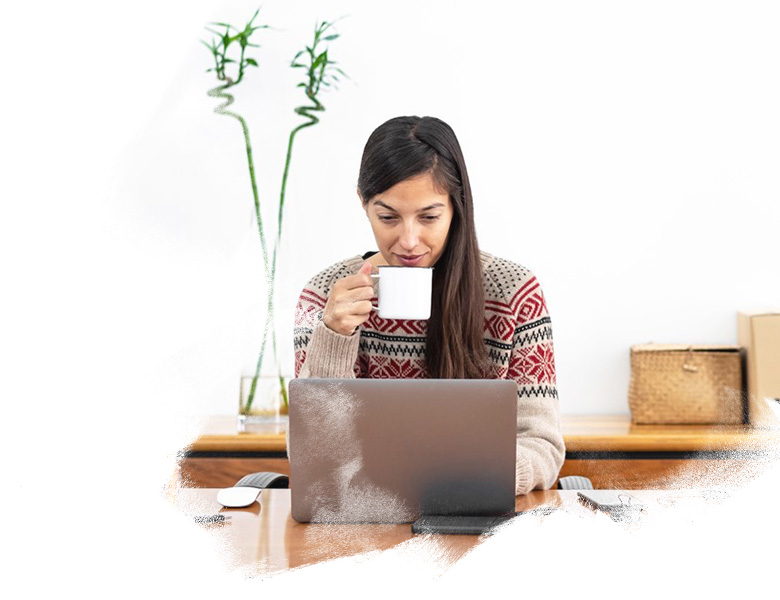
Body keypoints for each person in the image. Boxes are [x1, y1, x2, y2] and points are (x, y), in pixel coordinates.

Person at [293, 115, 564, 496]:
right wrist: (334, 337)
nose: (408, 240)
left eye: (429, 217)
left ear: (457, 206)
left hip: (473, 508)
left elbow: (542, 444)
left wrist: (482, 479)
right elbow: (317, 459)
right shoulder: (325, 295)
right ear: (363, 203)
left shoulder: (513, 292)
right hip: (363, 518)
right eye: (387, 217)